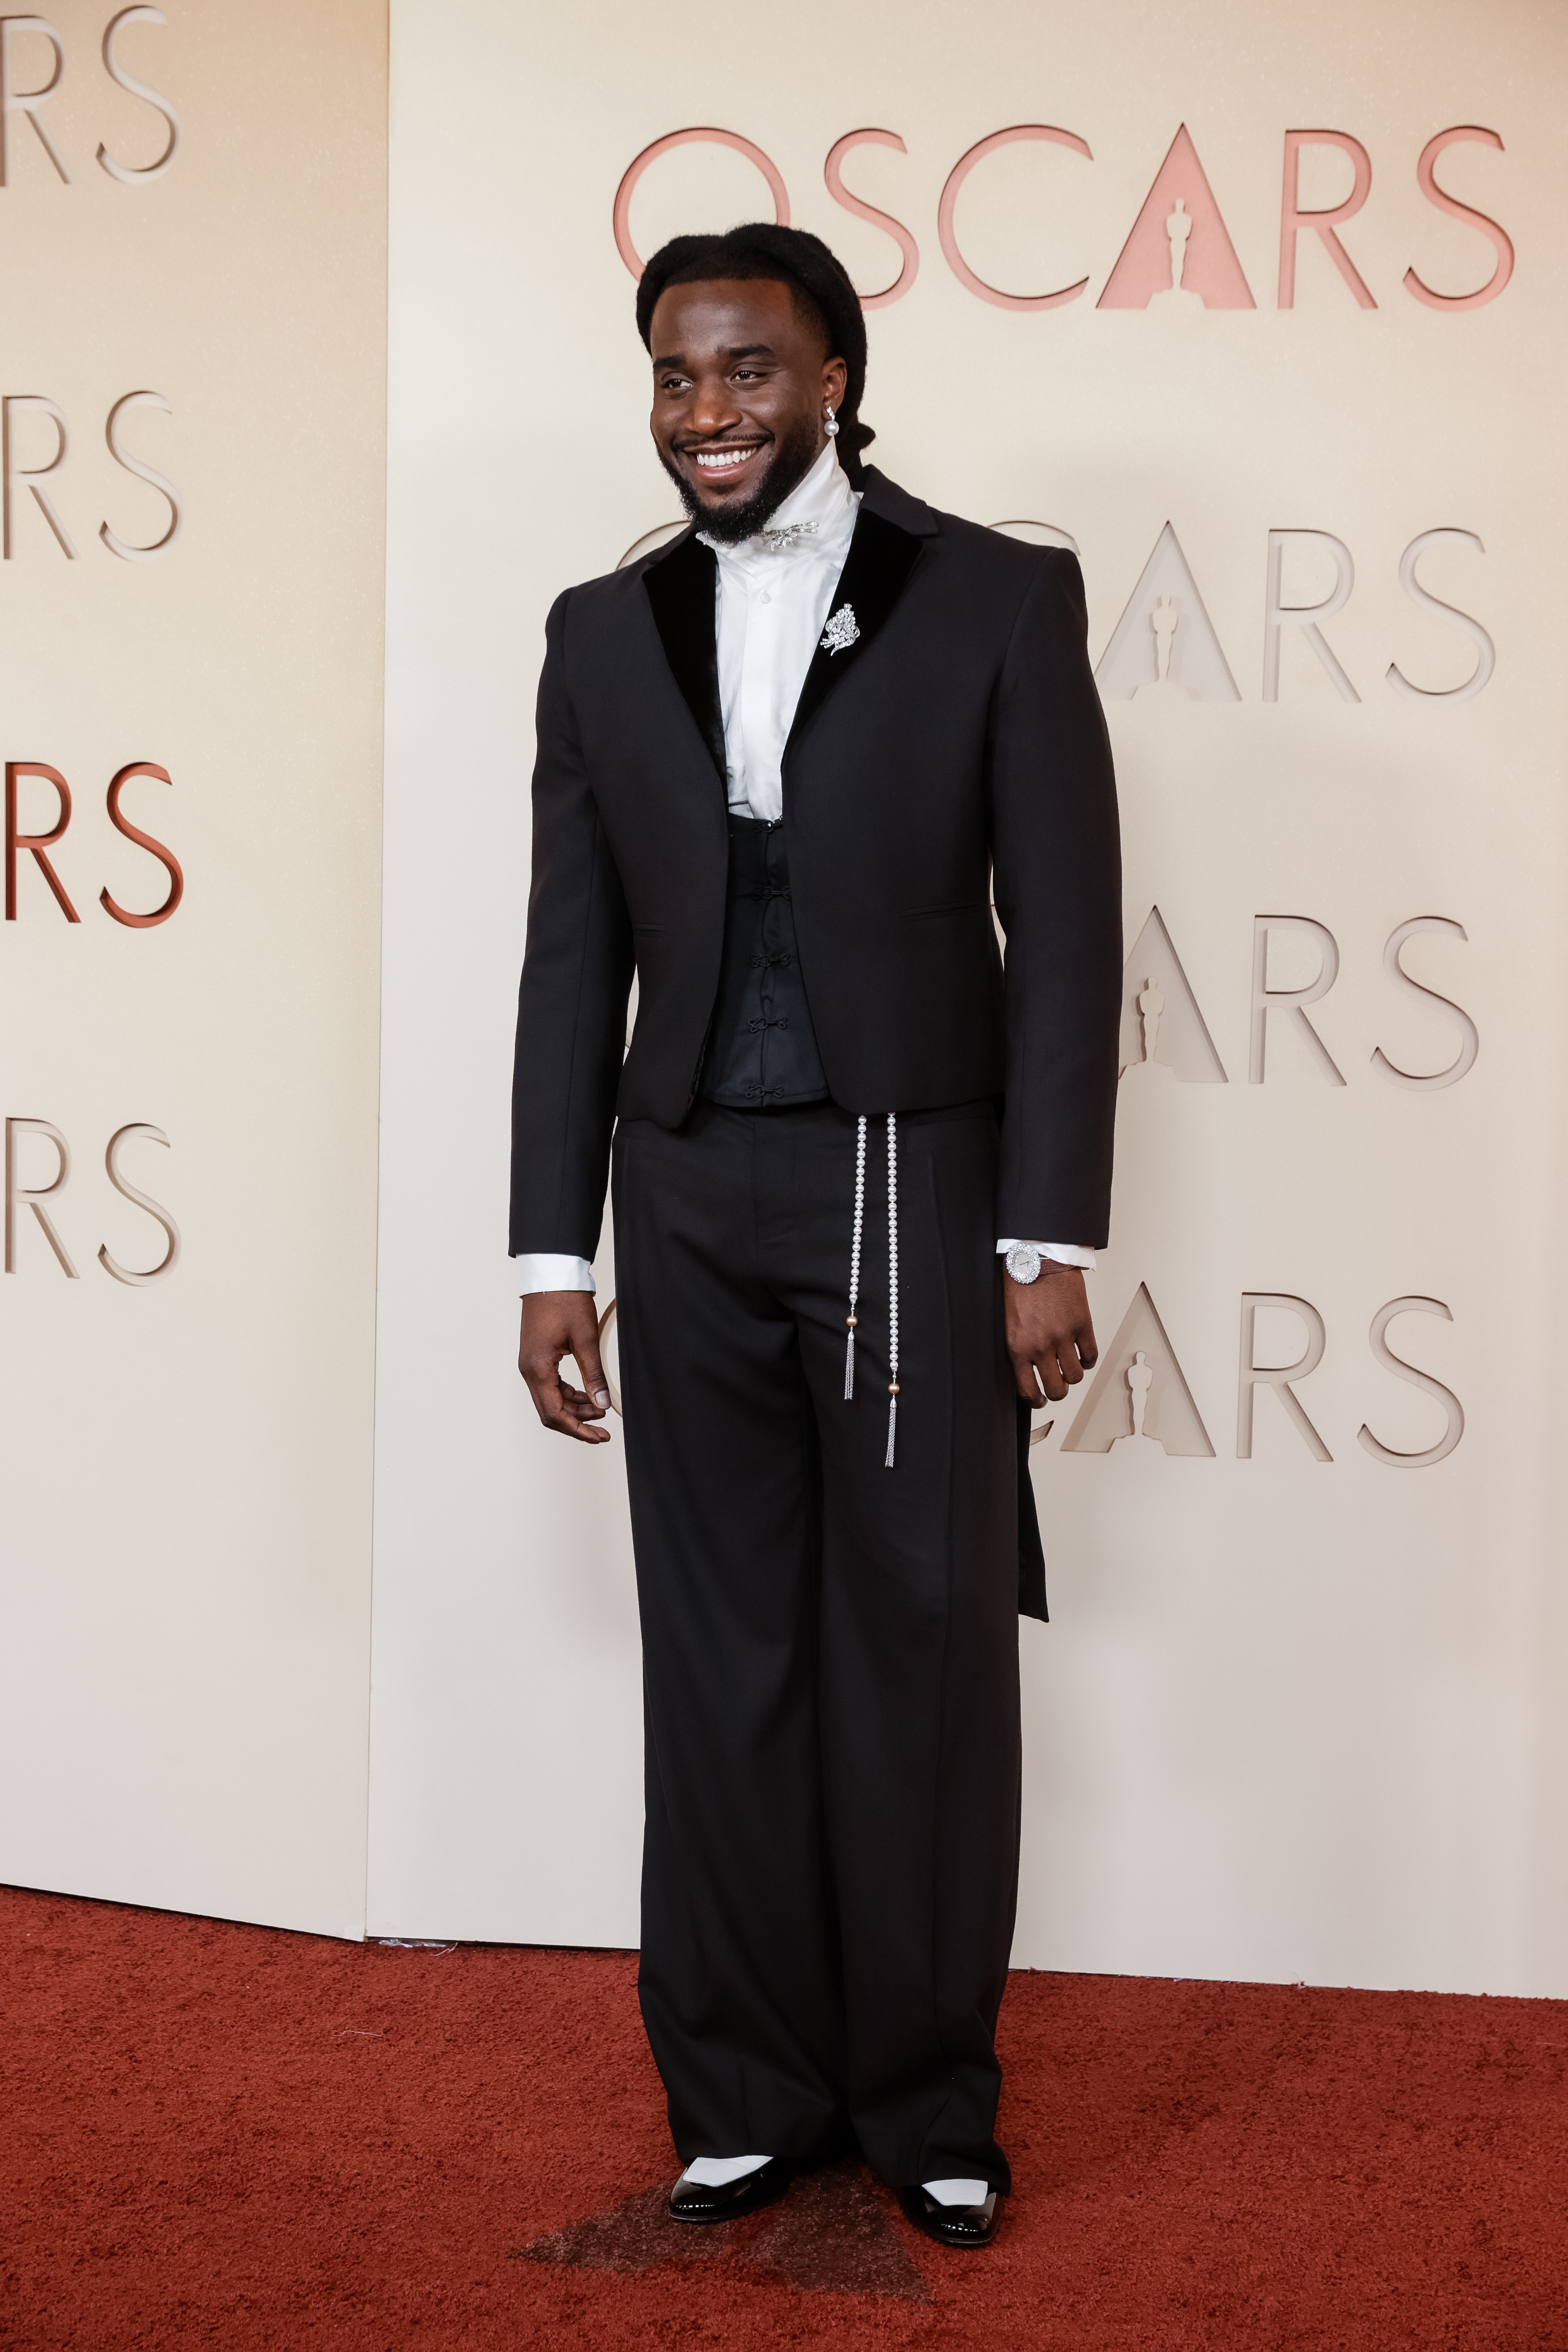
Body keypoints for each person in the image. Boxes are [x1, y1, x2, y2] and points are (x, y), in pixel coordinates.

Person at [511, 224, 1121, 2251]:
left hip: (903, 1181)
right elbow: (567, 958)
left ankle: (930, 2097)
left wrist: (1047, 1233)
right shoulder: (599, 632)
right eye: (680, 377)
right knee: (723, 1656)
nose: (708, 414)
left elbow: (1068, 941)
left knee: (922, 1656)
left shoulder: (1000, 600)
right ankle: (747, 2090)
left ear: (836, 375)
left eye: (750, 373)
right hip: (677, 1188)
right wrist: (548, 1257)